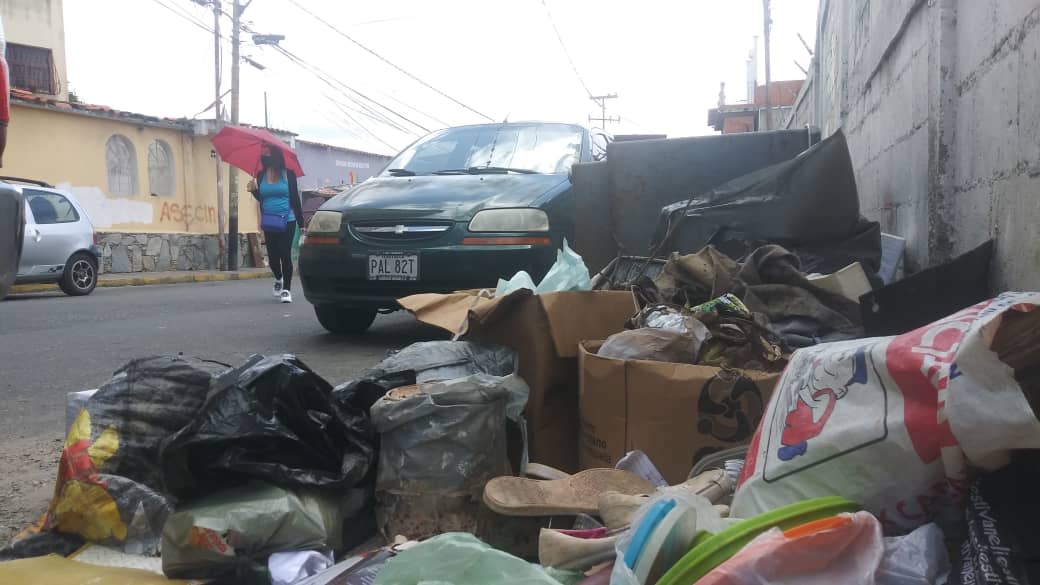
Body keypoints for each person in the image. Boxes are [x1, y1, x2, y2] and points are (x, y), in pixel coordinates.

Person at [248, 144, 304, 303]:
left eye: (268, 154)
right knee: (273, 258)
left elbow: (295, 199)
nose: (265, 156)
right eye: (263, 154)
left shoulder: (289, 175)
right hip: (269, 220)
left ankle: (286, 289)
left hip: (288, 219)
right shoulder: (261, 175)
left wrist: (302, 224)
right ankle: (278, 278)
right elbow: (263, 198)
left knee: (284, 254)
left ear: (276, 156)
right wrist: (254, 191)